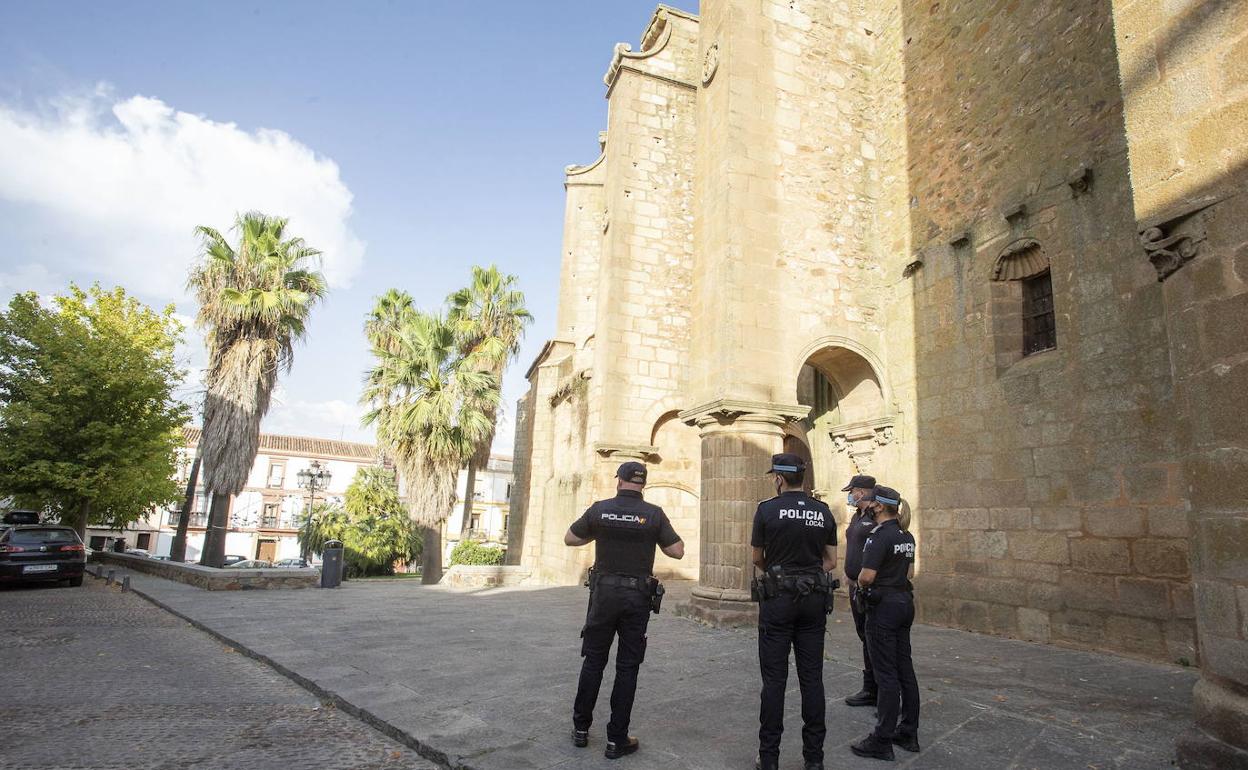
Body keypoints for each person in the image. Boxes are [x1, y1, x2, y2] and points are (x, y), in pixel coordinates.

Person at [564, 460, 684, 760]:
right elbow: (677, 551)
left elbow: (570, 538)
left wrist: (599, 533)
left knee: (593, 661)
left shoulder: (600, 509)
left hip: (603, 596)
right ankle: (616, 740)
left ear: (619, 480)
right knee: (627, 667)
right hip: (636, 598)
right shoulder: (653, 514)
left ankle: (580, 729)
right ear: (643, 483)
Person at [750, 453, 839, 770]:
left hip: (778, 600)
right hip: (813, 598)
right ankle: (814, 759)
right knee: (812, 679)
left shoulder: (766, 510)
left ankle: (769, 758)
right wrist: (809, 572)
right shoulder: (823, 511)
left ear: (779, 478)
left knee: (774, 680)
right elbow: (831, 561)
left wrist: (779, 572)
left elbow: (757, 557)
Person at [850, 485, 920, 761]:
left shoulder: (878, 536)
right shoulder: (906, 535)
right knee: (905, 669)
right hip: (904, 603)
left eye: (871, 502)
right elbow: (909, 572)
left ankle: (882, 739)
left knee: (886, 674)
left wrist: (860, 583)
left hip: (884, 608)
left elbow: (866, 576)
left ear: (879, 506)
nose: (868, 506)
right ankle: (908, 731)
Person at [841, 473, 878, 707]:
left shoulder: (876, 516)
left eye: (852, 491)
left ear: (861, 492)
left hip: (869, 587)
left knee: (873, 637)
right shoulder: (857, 516)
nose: (850, 495)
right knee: (864, 634)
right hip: (855, 586)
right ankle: (870, 686)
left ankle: (879, 689)